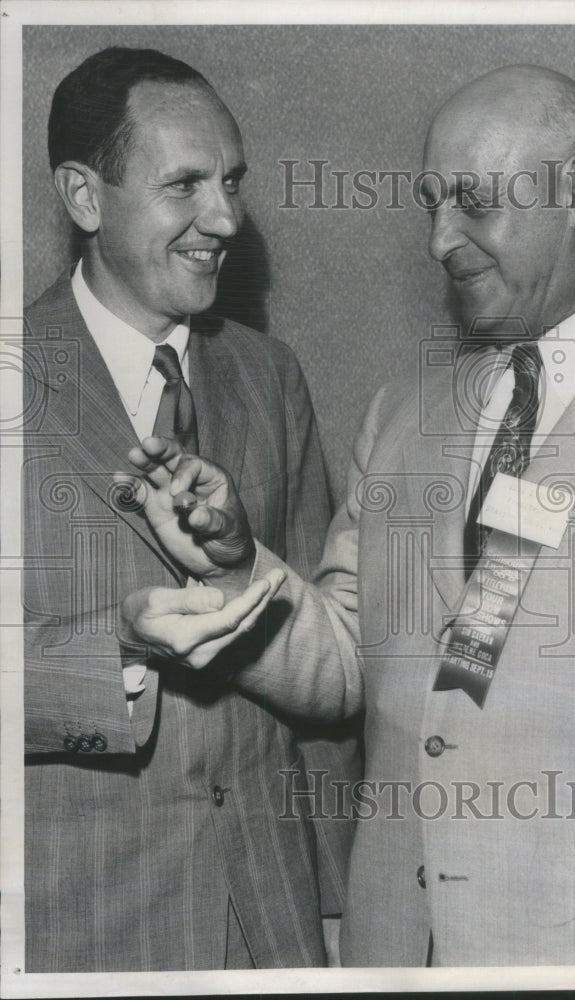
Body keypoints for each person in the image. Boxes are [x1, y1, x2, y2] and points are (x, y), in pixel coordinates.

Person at [128, 65, 575, 967]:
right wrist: (234, 564)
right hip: (397, 951)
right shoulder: (401, 414)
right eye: (429, 204)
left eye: (473, 202)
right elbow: (345, 665)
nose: (440, 239)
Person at [23, 46, 359, 971]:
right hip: (75, 929)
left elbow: (323, 663)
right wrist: (119, 646)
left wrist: (336, 899)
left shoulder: (270, 374)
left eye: (233, 181)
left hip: (273, 918)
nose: (226, 219)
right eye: (185, 186)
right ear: (85, 198)